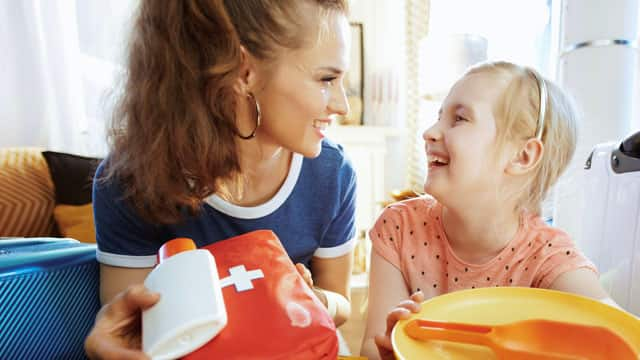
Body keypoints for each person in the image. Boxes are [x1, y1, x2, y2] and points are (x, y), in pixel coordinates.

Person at [85, 0, 355, 357]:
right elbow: (133, 329)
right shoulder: (131, 183)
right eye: (327, 79)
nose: (343, 105)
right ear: (245, 73)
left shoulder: (332, 175)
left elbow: (341, 303)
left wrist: (313, 299)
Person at [360, 61, 618, 359]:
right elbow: (371, 347)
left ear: (522, 156)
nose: (429, 132)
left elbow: (620, 332)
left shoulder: (550, 257)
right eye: (438, 116)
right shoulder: (400, 227)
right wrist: (390, 352)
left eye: (459, 119)